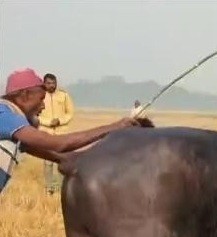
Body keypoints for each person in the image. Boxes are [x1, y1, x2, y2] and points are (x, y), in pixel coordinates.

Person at [0, 68, 139, 194]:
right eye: (41, 99)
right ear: (24, 95)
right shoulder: (6, 115)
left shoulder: (10, 119)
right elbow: (57, 144)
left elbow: (51, 153)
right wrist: (115, 127)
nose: (43, 106)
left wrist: (74, 158)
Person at [38, 73, 75, 194]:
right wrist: (49, 122)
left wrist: (60, 121)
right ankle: (49, 188)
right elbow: (35, 115)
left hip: (61, 133)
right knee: (48, 162)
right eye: (49, 83)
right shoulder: (40, 97)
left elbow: (70, 113)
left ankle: (60, 188)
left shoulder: (64, 95)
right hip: (46, 133)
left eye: (53, 83)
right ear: (44, 84)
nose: (52, 85)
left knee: (61, 160)